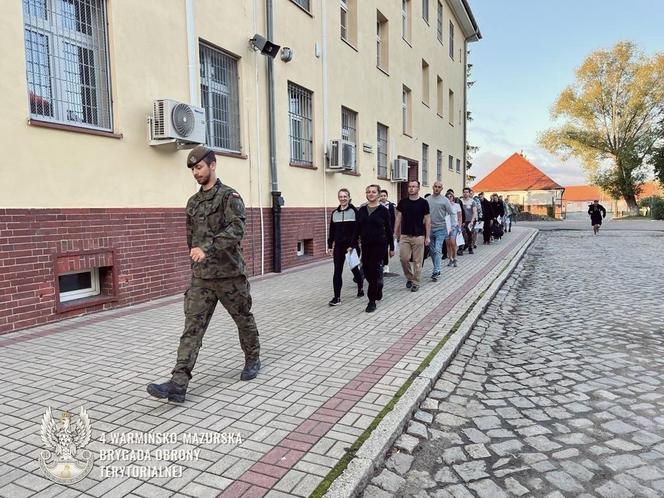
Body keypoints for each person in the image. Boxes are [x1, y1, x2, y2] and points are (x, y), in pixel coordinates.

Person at [147, 146, 260, 403]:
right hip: (202, 278)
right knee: (192, 329)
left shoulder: (229, 196)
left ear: (213, 165)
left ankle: (252, 358)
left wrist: (206, 248)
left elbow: (237, 230)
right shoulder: (193, 202)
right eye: (192, 170)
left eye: (199, 167)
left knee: (243, 319)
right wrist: (195, 263)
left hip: (230, 275)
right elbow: (191, 241)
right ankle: (178, 384)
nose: (196, 173)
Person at [353, 185, 394, 312]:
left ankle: (371, 301)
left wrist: (391, 247)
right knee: (366, 270)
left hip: (379, 245)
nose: (370, 194)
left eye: (373, 192)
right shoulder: (362, 210)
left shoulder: (383, 210)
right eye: (368, 192)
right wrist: (352, 244)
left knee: (375, 269)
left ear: (378, 194)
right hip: (365, 245)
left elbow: (389, 230)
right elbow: (357, 229)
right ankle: (379, 285)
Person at [327, 188, 364, 306]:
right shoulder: (335, 213)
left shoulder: (354, 211)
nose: (343, 198)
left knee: (354, 269)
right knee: (337, 271)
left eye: (345, 196)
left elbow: (358, 230)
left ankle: (360, 287)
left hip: (351, 247)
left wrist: (352, 245)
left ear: (348, 197)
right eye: (341, 196)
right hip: (338, 246)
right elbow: (332, 230)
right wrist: (330, 245)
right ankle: (336, 298)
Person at [394, 180, 431, 292]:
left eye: (414, 186)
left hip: (419, 236)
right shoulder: (403, 202)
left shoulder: (423, 203)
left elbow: (428, 220)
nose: (411, 188)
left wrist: (427, 236)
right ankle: (410, 277)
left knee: (417, 261)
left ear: (418, 188)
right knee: (403, 259)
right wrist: (395, 232)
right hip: (405, 235)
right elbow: (398, 218)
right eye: (410, 186)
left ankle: (416, 282)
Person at [427, 181, 454, 281]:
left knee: (438, 249)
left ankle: (436, 270)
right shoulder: (427, 200)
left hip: (441, 228)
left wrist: (451, 227)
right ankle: (436, 268)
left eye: (439, 187)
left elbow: (452, 213)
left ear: (442, 189)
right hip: (429, 229)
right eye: (435, 186)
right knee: (432, 250)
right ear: (432, 187)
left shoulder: (445, 200)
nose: (437, 188)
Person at [379, 189, 397, 274]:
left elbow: (393, 219)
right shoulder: (377, 205)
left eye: (384, 196)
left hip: (387, 230)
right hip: (379, 230)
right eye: (381, 196)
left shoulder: (390, 206)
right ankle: (380, 264)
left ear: (387, 196)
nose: (383, 197)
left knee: (385, 249)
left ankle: (386, 265)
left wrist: (393, 230)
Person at [445, 190, 463, 267]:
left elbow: (460, 216)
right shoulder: (444, 206)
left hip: (454, 226)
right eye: (448, 197)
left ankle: (455, 257)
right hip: (446, 226)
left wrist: (459, 226)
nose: (449, 198)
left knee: (453, 243)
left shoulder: (456, 205)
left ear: (453, 197)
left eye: (451, 197)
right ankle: (450, 258)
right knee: (448, 243)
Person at [460, 187, 478, 255]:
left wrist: (472, 221)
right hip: (462, 221)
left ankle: (470, 247)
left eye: (467, 192)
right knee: (461, 234)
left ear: (469, 193)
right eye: (464, 192)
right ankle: (460, 248)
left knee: (470, 234)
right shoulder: (460, 201)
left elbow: (474, 212)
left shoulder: (472, 201)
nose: (465, 193)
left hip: (470, 221)